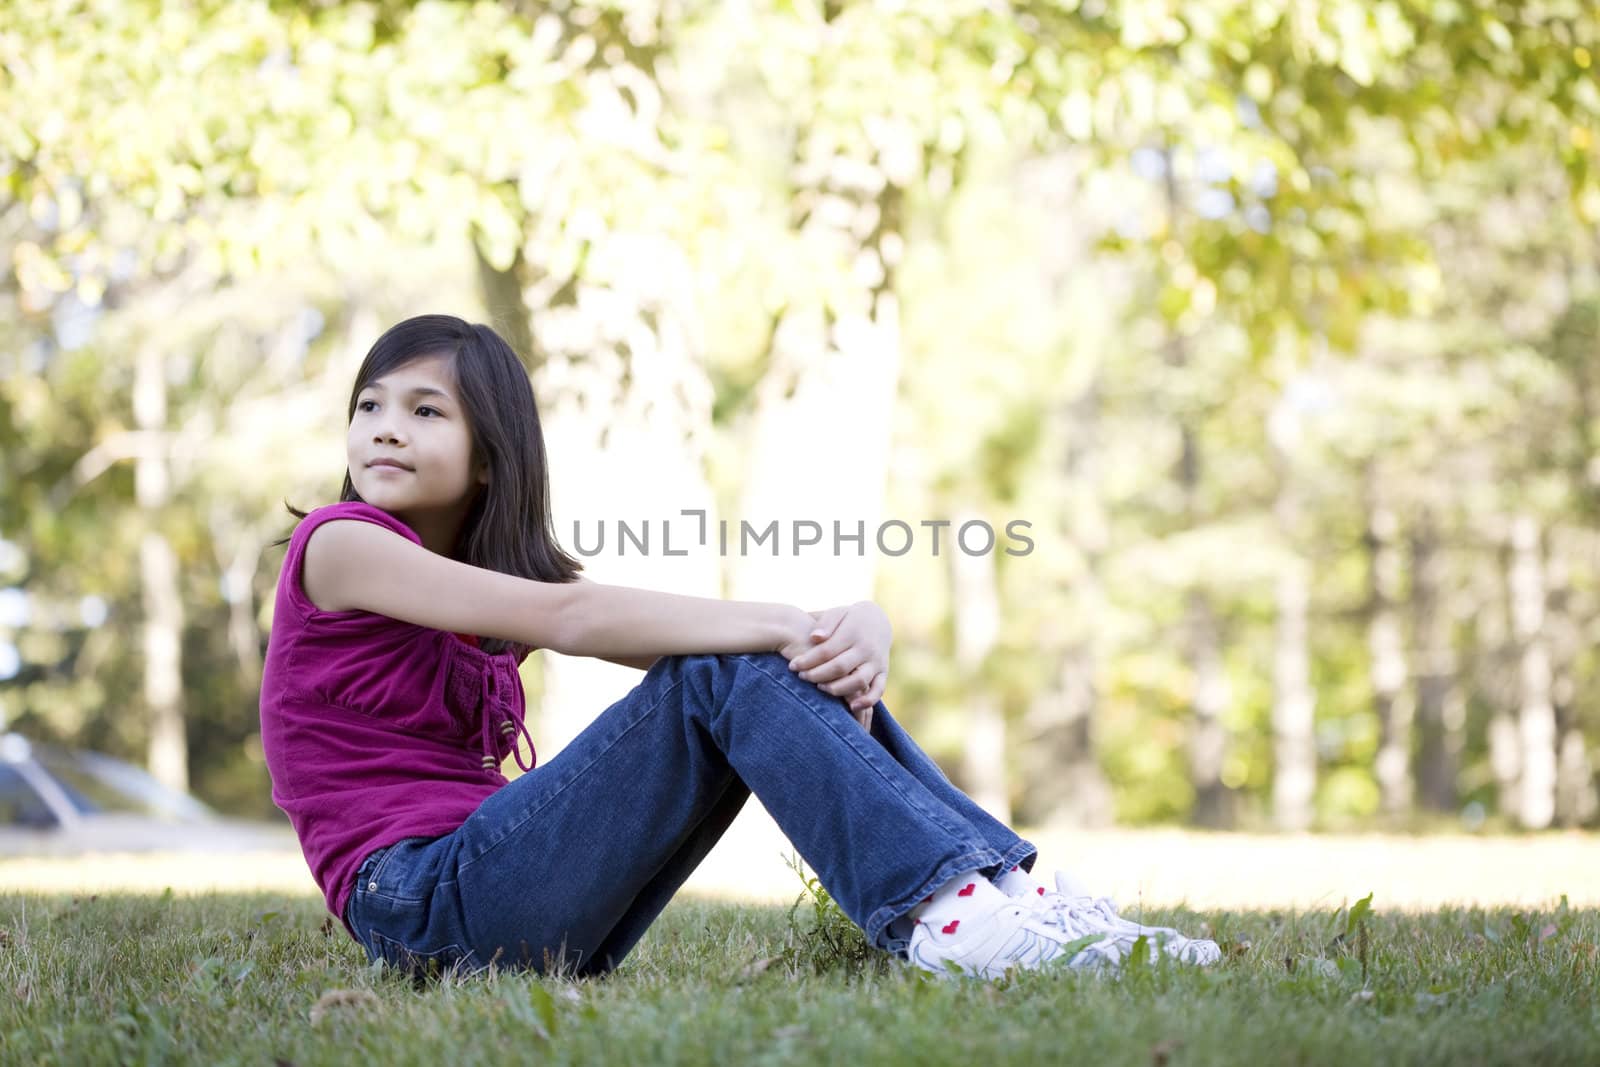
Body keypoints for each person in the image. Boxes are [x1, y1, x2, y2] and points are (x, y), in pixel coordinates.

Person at [258, 313, 1219, 982]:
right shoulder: (341, 546)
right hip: (423, 903)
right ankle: (962, 917)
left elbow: (658, 636)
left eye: (425, 411)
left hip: (500, 902)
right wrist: (788, 623)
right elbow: (576, 622)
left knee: (729, 669)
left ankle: (1012, 890)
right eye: (371, 405)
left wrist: (854, 622)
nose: (385, 429)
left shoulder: (479, 574)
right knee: (728, 661)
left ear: (490, 454)